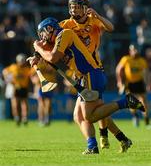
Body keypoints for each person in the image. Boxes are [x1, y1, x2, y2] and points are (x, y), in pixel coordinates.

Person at [27, 17, 144, 154]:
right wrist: (37, 56)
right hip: (87, 76)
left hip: (89, 74)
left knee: (90, 116)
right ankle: (108, 142)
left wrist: (38, 49)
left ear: (49, 29)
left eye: (42, 33)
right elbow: (47, 53)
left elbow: (52, 57)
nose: (42, 37)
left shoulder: (64, 34)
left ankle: (125, 102)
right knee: (80, 116)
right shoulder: (57, 39)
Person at [59, 0, 132, 152]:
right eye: (72, 7)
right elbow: (50, 39)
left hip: (91, 72)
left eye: (77, 7)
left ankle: (95, 145)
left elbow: (111, 28)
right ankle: (120, 139)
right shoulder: (66, 25)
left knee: (88, 115)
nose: (73, 10)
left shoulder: (94, 22)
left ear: (85, 8)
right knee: (86, 114)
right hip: (80, 73)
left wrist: (97, 15)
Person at [116, 44, 149, 127]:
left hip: (139, 82)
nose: (135, 51)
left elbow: (147, 73)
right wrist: (120, 82)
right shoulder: (126, 59)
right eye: (133, 50)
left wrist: (148, 83)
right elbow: (118, 69)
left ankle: (146, 119)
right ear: (130, 51)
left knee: (143, 100)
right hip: (130, 83)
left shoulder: (142, 60)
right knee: (132, 102)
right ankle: (135, 116)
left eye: (136, 50)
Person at [2, 53, 31, 125]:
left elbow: (31, 75)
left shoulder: (27, 68)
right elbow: (4, 71)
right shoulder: (14, 67)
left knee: (24, 104)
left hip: (24, 88)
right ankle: (17, 117)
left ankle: (25, 118)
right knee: (15, 104)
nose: (22, 62)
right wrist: (8, 80)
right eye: (21, 60)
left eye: (23, 60)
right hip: (15, 88)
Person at [30, 59, 57, 126]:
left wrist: (55, 85)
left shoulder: (51, 64)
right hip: (40, 87)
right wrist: (35, 82)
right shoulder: (38, 64)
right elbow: (32, 75)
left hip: (50, 87)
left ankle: (47, 119)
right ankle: (41, 119)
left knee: (49, 104)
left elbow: (54, 76)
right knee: (41, 104)